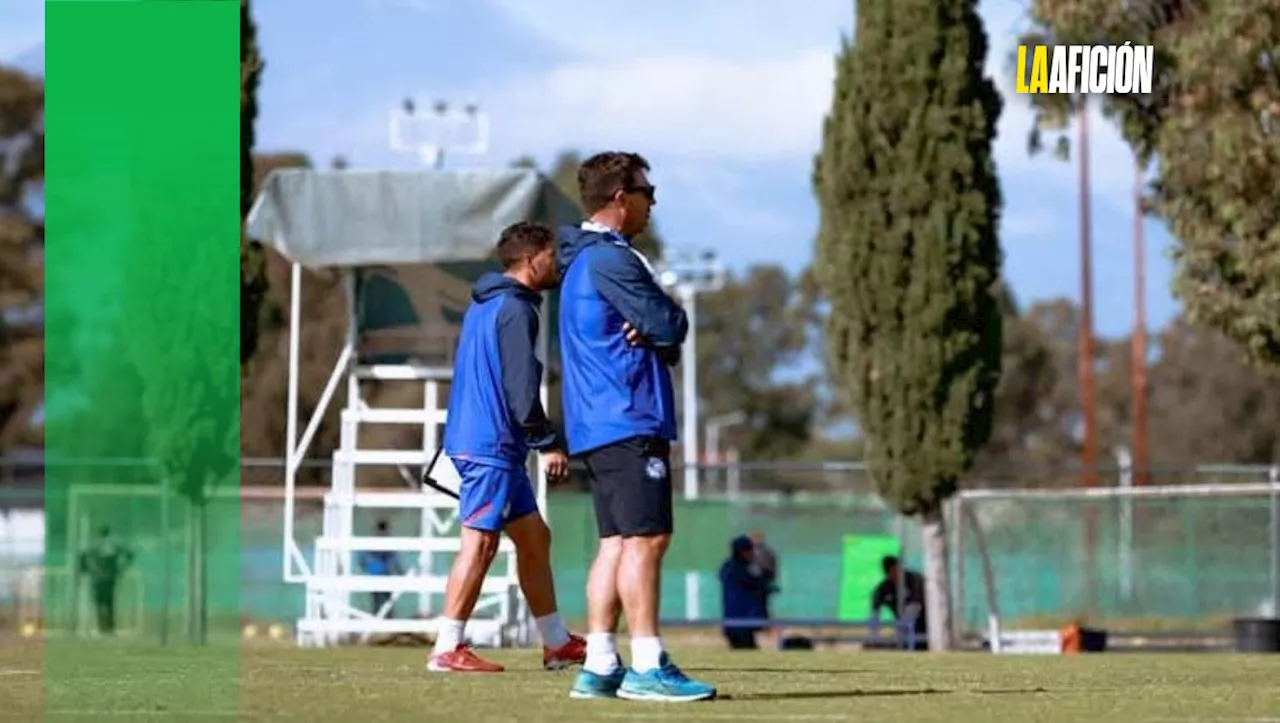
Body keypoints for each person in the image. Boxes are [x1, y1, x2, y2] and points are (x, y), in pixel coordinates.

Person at [558, 151, 716, 703]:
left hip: (599, 422)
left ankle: (600, 663)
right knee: (647, 539)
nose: (653, 203)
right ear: (621, 198)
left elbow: (658, 332)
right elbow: (670, 323)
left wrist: (656, 332)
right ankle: (648, 664)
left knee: (617, 542)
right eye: (648, 191)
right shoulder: (611, 260)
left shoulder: (582, 259)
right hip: (627, 415)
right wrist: (662, 326)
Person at [428, 221, 587, 673]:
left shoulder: (488, 302)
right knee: (479, 543)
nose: (558, 264)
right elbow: (521, 388)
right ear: (531, 257)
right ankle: (446, 647)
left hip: (493, 445)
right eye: (554, 255)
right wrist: (548, 442)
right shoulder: (515, 308)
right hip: (489, 445)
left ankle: (556, 642)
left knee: (535, 538)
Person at [718, 535, 773, 650]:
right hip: (741, 623)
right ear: (743, 552)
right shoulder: (739, 570)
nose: (753, 554)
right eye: (750, 550)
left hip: (735, 622)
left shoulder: (728, 567)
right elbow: (759, 582)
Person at [78, 526, 133, 635]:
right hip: (110, 576)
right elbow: (130, 554)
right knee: (109, 602)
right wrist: (123, 567)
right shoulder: (114, 544)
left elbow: (82, 555)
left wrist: (85, 569)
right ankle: (109, 627)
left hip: (98, 577)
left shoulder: (95, 544)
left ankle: (102, 627)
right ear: (109, 533)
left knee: (99, 602)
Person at [870, 555, 928, 649]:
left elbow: (914, 609)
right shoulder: (884, 588)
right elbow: (874, 612)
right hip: (903, 629)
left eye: (897, 568)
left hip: (925, 627)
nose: (895, 573)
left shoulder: (915, 580)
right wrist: (874, 634)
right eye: (891, 570)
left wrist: (904, 627)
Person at [359, 519, 403, 618]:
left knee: (386, 602)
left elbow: (363, 562)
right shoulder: (375, 544)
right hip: (378, 575)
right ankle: (380, 621)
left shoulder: (380, 544)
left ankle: (384, 621)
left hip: (384, 575)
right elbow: (363, 561)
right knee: (380, 602)